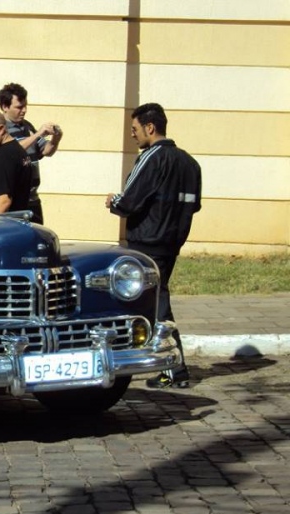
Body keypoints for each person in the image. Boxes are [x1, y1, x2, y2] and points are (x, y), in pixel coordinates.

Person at [105, 102, 202, 389]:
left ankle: (173, 367)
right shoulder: (190, 163)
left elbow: (129, 200)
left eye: (135, 129)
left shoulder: (152, 157)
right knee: (157, 301)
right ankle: (166, 364)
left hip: (146, 244)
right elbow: (193, 205)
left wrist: (113, 201)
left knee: (153, 305)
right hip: (172, 242)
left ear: (150, 127)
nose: (133, 136)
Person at [0, 82, 63, 224]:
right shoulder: (0, 129)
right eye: (19, 107)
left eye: (25, 106)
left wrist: (56, 138)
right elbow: (11, 151)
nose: (24, 110)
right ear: (5, 107)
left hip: (32, 200)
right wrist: (38, 134)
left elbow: (46, 151)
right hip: (13, 203)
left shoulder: (27, 126)